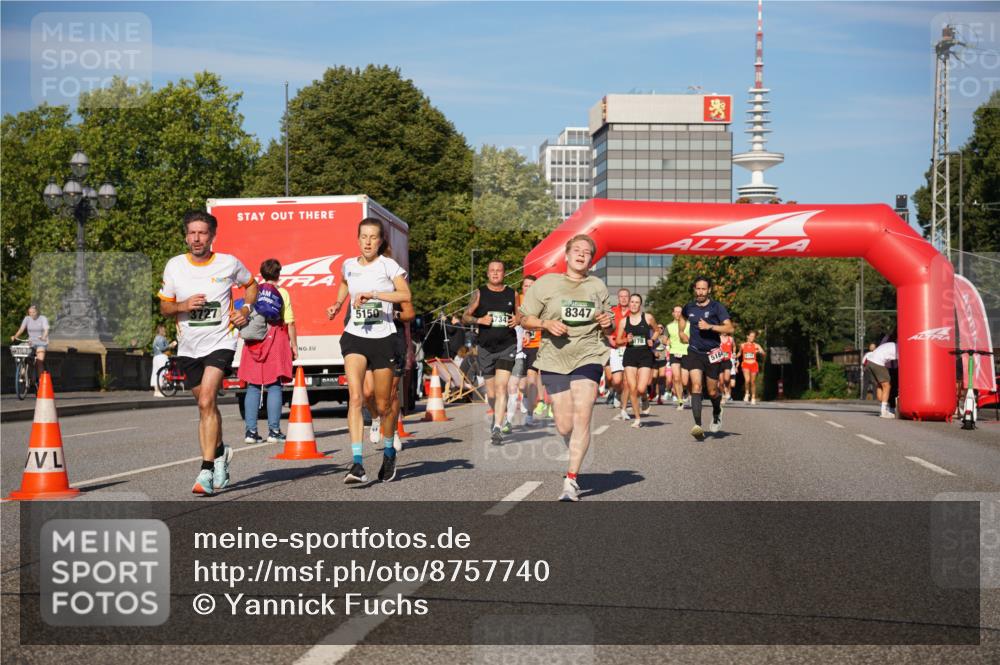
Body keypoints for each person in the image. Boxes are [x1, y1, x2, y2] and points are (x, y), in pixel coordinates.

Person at [159, 210, 257, 495]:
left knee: (206, 400)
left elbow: (251, 285)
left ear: (212, 236)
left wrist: (245, 309)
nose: (196, 238)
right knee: (206, 407)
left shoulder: (228, 263)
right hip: (189, 347)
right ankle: (220, 452)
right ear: (186, 236)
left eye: (202, 233)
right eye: (192, 233)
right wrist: (183, 305)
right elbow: (165, 307)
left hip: (221, 341)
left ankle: (206, 469)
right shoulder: (175, 266)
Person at [520, 234, 613, 501]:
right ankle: (573, 448)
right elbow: (524, 318)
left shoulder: (597, 286)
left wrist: (608, 324)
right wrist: (545, 324)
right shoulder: (547, 283)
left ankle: (571, 480)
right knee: (563, 425)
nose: (582, 254)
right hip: (554, 357)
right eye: (577, 250)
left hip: (589, 354)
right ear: (567, 254)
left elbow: (609, 327)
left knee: (583, 413)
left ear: (591, 260)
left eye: (587, 252)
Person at [326, 217, 410, 483]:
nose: (368, 242)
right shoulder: (348, 265)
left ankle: (389, 452)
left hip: (383, 338)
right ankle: (357, 464)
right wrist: (338, 304)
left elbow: (405, 295)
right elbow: (343, 282)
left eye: (374, 237)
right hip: (355, 336)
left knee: (384, 404)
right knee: (356, 397)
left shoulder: (388, 265)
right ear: (358, 239)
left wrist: (374, 294)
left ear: (381, 241)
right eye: (364, 237)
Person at [239, 259, 297, 445]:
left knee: (253, 386)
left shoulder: (254, 291)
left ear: (262, 273)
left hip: (254, 340)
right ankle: (274, 431)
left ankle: (251, 432)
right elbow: (289, 321)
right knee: (274, 385)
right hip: (276, 338)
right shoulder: (282, 293)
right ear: (278, 274)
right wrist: (294, 345)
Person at [463, 260, 519, 445]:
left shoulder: (512, 293)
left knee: (502, 387)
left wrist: (517, 320)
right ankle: (498, 414)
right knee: (492, 392)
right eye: (492, 271)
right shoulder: (480, 293)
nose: (495, 273)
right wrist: (479, 320)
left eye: (499, 270)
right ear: (487, 273)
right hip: (486, 348)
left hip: (507, 346)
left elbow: (520, 315)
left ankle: (497, 427)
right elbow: (465, 316)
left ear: (504, 273)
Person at [680, 277, 734, 440]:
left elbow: (730, 328)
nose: (700, 292)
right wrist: (681, 332)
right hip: (695, 351)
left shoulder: (717, 307)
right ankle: (698, 426)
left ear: (709, 290)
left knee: (712, 391)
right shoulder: (689, 307)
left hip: (712, 353)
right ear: (694, 289)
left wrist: (710, 326)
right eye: (698, 289)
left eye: (703, 289)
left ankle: (717, 411)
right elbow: (682, 317)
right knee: (696, 386)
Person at [615, 294, 660, 428]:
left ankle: (644, 398)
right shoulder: (624, 321)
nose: (634, 304)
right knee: (632, 388)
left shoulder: (648, 317)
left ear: (640, 304)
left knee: (641, 388)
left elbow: (657, 330)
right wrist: (626, 340)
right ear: (629, 304)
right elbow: (618, 341)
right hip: (630, 356)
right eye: (632, 302)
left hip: (645, 355)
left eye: (637, 302)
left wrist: (652, 339)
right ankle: (638, 419)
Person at [520, 275, 545, 426]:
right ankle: (527, 398)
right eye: (525, 285)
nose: (528, 288)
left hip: (535, 346)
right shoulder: (517, 301)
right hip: (517, 347)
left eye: (531, 286)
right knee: (521, 385)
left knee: (531, 378)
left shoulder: (541, 303)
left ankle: (530, 414)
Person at [603, 288, 631, 409]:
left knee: (626, 379)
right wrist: (609, 337)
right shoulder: (612, 312)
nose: (623, 299)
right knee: (616, 379)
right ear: (618, 298)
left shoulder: (634, 313)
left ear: (629, 298)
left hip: (629, 348)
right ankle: (617, 392)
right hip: (614, 348)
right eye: (621, 296)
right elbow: (603, 327)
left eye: (626, 296)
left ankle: (622, 398)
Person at [11, 304, 49, 378]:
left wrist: (44, 337)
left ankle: (41, 381)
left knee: (39, 362)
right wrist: (15, 336)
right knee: (24, 356)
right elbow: (21, 329)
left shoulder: (43, 318)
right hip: (31, 342)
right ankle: (25, 372)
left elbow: (46, 330)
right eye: (30, 312)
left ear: (37, 312)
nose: (32, 314)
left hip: (41, 342)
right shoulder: (27, 318)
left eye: (33, 312)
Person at [863, 337, 897, 419]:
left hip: (869, 362)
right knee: (887, 386)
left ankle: (883, 408)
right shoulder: (899, 348)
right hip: (877, 363)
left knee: (880, 385)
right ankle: (883, 411)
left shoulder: (890, 344)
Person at [666, 305, 690, 411]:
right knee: (676, 378)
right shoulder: (669, 326)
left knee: (685, 381)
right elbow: (665, 338)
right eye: (676, 312)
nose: (678, 314)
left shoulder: (689, 325)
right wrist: (665, 341)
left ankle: (686, 391)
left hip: (686, 353)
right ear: (673, 313)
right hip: (674, 353)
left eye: (680, 312)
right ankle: (680, 401)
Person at [150, 324, 176, 397]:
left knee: (156, 374)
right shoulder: (161, 338)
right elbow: (162, 348)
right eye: (164, 330)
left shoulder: (155, 338)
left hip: (155, 357)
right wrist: (170, 345)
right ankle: (160, 390)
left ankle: (156, 391)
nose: (165, 331)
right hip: (161, 357)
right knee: (162, 373)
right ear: (161, 331)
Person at [740, 330, 766, 404]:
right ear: (747, 336)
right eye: (751, 336)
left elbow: (764, 353)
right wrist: (734, 356)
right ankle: (747, 393)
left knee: (753, 382)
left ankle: (753, 397)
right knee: (747, 380)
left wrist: (761, 352)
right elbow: (739, 353)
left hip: (753, 364)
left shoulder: (756, 345)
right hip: (745, 364)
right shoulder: (742, 345)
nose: (752, 338)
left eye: (753, 337)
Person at [652, 324, 669, 405]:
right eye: (657, 327)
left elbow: (669, 344)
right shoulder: (653, 337)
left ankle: (659, 397)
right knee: (654, 377)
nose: (659, 329)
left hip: (662, 359)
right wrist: (654, 352)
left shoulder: (665, 337)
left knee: (661, 377)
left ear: (663, 329)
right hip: (654, 360)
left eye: (661, 328)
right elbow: (650, 347)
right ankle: (653, 391)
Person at [719, 332, 735, 403]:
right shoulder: (718, 338)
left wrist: (734, 353)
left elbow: (734, 346)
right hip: (719, 362)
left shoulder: (730, 339)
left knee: (727, 379)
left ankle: (727, 391)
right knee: (721, 382)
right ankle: (722, 395)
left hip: (727, 361)